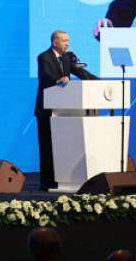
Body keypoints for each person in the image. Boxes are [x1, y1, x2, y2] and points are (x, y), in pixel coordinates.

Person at [34, 29, 97, 191]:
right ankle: (47, 182)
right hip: (47, 109)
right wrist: (59, 80)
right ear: (54, 42)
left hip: (65, 111)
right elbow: (45, 77)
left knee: (63, 147)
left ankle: (63, 179)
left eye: (68, 40)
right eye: (64, 40)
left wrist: (98, 82)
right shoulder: (44, 57)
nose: (67, 43)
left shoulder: (68, 57)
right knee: (47, 147)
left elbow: (81, 72)